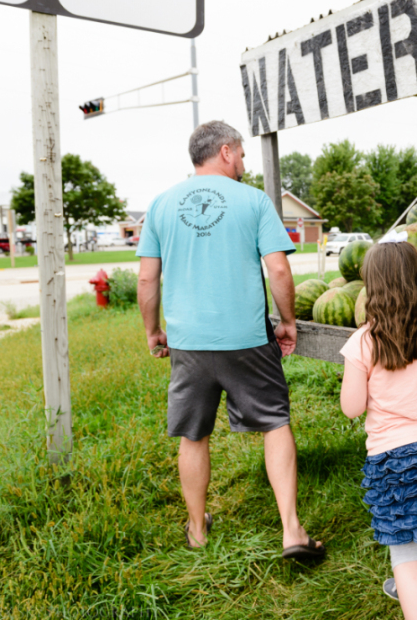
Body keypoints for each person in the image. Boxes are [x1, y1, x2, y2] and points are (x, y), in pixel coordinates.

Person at [136, 120, 325, 559]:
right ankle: (292, 531)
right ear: (225, 151)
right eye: (240, 153)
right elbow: (278, 269)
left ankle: (197, 531)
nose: (242, 161)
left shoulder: (161, 204)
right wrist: (288, 321)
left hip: (188, 342)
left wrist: (152, 331)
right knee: (275, 423)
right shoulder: (254, 200)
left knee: (193, 434)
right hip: (247, 339)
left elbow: (147, 278)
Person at [339, 236, 417, 619]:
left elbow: (351, 408)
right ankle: (411, 586)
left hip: (396, 456)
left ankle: (412, 588)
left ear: (372, 287)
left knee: (406, 556)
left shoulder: (364, 342)